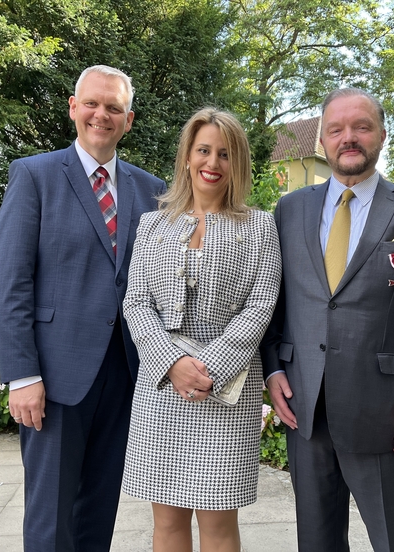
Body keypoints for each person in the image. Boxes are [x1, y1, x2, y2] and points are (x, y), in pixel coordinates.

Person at [260, 88, 394, 552]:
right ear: (322, 141)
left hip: (385, 414)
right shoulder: (290, 208)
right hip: (306, 409)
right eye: (336, 129)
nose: (349, 138)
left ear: (382, 136)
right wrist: (273, 369)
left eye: (361, 127)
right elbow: (273, 299)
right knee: (317, 542)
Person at [0, 65, 166, 551]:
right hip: (56, 375)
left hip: (126, 373)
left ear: (128, 120)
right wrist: (22, 374)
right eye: (92, 103)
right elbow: (10, 282)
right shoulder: (35, 175)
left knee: (98, 506)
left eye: (114, 107)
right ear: (73, 107)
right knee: (51, 515)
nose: (101, 114)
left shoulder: (150, 190)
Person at [121, 107, 281, 552]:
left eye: (225, 154)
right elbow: (136, 302)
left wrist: (209, 368)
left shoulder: (260, 227)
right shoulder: (153, 225)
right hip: (162, 389)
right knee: (168, 523)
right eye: (204, 151)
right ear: (187, 157)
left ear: (238, 163)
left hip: (226, 393)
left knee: (218, 523)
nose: (212, 164)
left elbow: (261, 305)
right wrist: (172, 363)